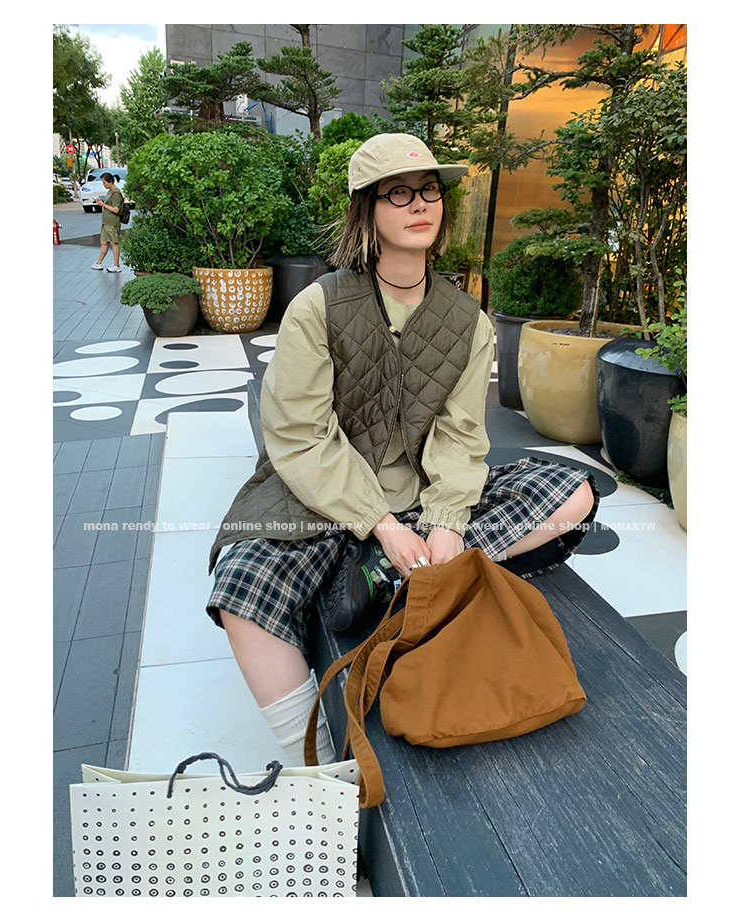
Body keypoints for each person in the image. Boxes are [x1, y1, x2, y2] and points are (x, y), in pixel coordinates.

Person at [206, 133, 600, 766]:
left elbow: (460, 434)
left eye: (429, 190)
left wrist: (445, 521)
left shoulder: (467, 320)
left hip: (418, 495)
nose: (420, 204)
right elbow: (299, 434)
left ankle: (394, 576)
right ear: (367, 210)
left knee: (571, 492)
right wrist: (381, 524)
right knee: (242, 584)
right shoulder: (318, 307)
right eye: (398, 193)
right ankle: (323, 766)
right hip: (320, 496)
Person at [90, 172, 124, 272]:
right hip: (106, 222)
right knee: (103, 242)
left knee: (114, 243)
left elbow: (116, 210)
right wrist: (101, 202)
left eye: (104, 182)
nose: (103, 184)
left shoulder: (116, 193)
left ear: (110, 181)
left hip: (112, 223)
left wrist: (103, 205)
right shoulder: (110, 191)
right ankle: (98, 263)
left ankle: (116, 265)